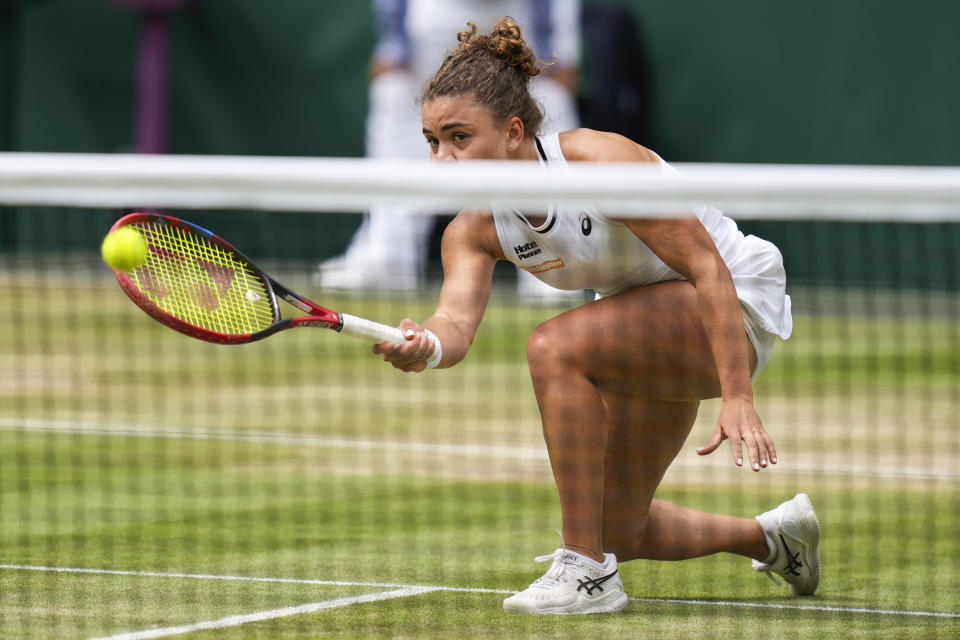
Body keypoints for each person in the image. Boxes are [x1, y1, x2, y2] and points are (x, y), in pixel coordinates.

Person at [372, 17, 821, 614]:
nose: (443, 159)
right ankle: (773, 536)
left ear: (511, 133)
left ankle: (586, 573)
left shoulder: (597, 162)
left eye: (458, 137)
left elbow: (707, 268)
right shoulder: (473, 230)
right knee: (618, 526)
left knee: (554, 347)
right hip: (644, 330)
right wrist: (425, 344)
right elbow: (454, 323)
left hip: (734, 304)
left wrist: (737, 396)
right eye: (433, 141)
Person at [316, 0, 583, 300]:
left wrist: (558, 48)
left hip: (520, 16)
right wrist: (395, 42)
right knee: (393, 91)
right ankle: (387, 252)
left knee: (552, 97)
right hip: (431, 19)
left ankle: (552, 260)